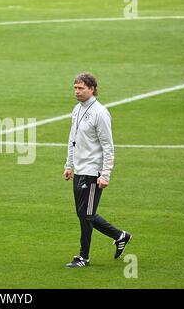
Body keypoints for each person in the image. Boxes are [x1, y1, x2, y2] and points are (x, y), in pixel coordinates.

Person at [63, 72, 131, 268]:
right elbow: (72, 139)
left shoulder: (100, 113)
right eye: (75, 88)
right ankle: (120, 236)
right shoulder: (77, 109)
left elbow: (108, 146)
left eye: (81, 88)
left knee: (86, 214)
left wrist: (105, 175)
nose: (77, 91)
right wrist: (69, 164)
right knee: (84, 213)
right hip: (79, 169)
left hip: (93, 172)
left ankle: (83, 257)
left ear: (92, 89)